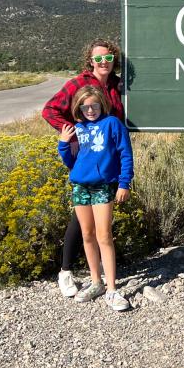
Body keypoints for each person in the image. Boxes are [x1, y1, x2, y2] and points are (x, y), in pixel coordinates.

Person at [42, 38, 126, 297]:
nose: (104, 63)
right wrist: (73, 136)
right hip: (85, 156)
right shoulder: (78, 84)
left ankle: (97, 278)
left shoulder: (115, 84)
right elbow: (50, 110)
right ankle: (66, 271)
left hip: (108, 158)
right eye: (98, 59)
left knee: (93, 220)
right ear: (90, 61)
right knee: (81, 219)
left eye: (108, 58)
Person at [57, 86, 134, 311]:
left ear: (102, 104)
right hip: (80, 186)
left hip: (103, 186)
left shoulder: (112, 124)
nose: (91, 110)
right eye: (86, 106)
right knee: (87, 235)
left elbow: (125, 154)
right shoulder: (77, 128)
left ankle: (112, 289)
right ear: (79, 108)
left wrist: (124, 183)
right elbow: (72, 162)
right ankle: (96, 282)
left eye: (95, 105)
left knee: (104, 235)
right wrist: (63, 143)